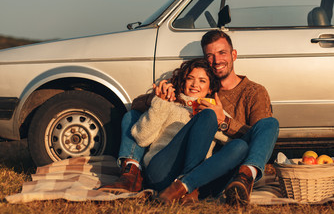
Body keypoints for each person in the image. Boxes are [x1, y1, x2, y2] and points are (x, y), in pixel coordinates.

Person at [102, 30, 279, 205]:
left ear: (233, 55)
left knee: (248, 140)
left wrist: (224, 122)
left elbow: (257, 139)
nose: (216, 60)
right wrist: (159, 99)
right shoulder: (178, 97)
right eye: (210, 55)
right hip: (169, 167)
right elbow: (139, 117)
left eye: (222, 53)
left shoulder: (250, 93)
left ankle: (241, 177)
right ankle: (134, 173)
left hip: (215, 166)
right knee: (132, 115)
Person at [99, 58, 249, 204]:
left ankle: (187, 185)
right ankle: (187, 185)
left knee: (240, 146)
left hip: (198, 176)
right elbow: (142, 138)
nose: (195, 84)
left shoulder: (216, 111)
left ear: (210, 88)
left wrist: (218, 121)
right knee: (207, 115)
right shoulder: (170, 105)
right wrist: (160, 103)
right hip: (162, 171)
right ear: (183, 83)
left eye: (202, 81)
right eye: (190, 79)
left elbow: (233, 143)